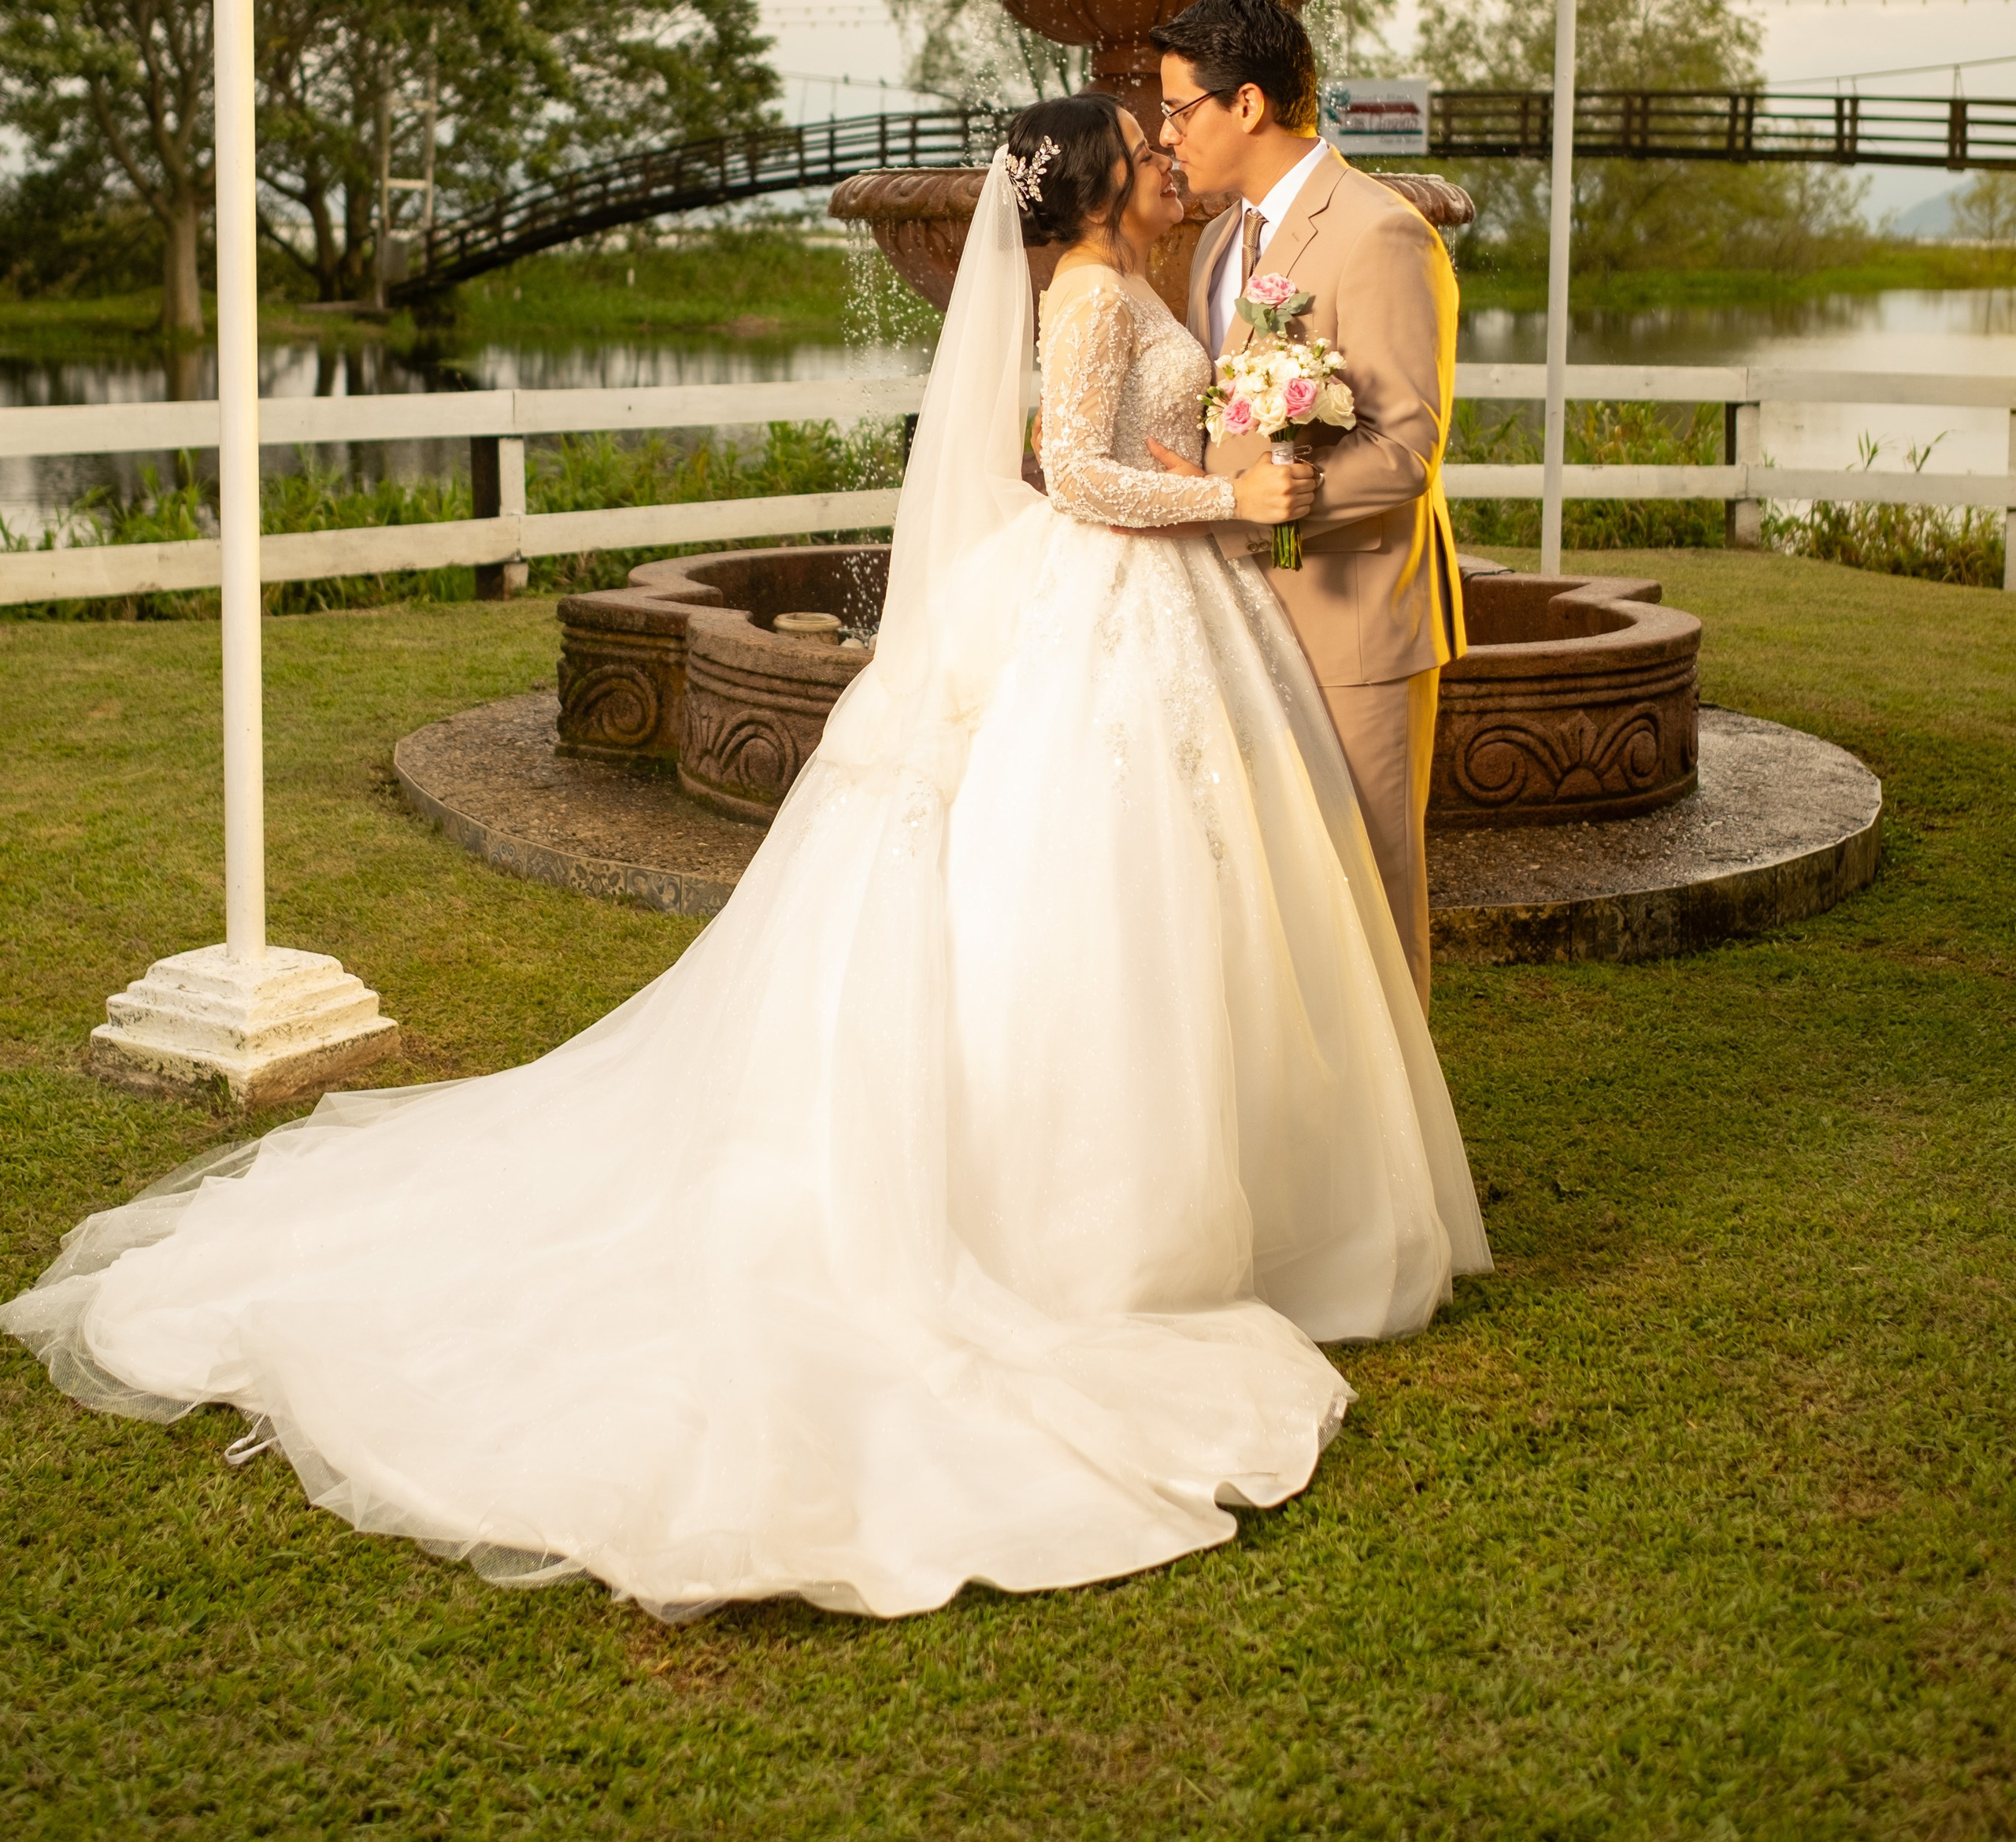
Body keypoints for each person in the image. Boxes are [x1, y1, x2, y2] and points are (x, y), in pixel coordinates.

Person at [3, 100, 1488, 1627]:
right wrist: (1232, 494)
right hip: (1108, 596)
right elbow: (1077, 476)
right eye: (1143, 141)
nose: (1166, 154)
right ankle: (1099, 1239)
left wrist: (1243, 445)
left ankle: (1224, 1201)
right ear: (1104, 188)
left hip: (1144, 615)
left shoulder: (1138, 284)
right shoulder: (1091, 295)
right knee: (1092, 907)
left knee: (1165, 905)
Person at [1150, 0, 1466, 1015]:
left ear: (1245, 106)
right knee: (1274, 906)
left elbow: (1405, 446)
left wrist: (1266, 500)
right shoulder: (1213, 245)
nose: (1167, 136)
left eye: (1179, 112)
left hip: (1354, 623)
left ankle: (1400, 1177)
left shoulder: (1379, 232)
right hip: (1241, 621)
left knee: (1368, 899)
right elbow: (1220, 423)